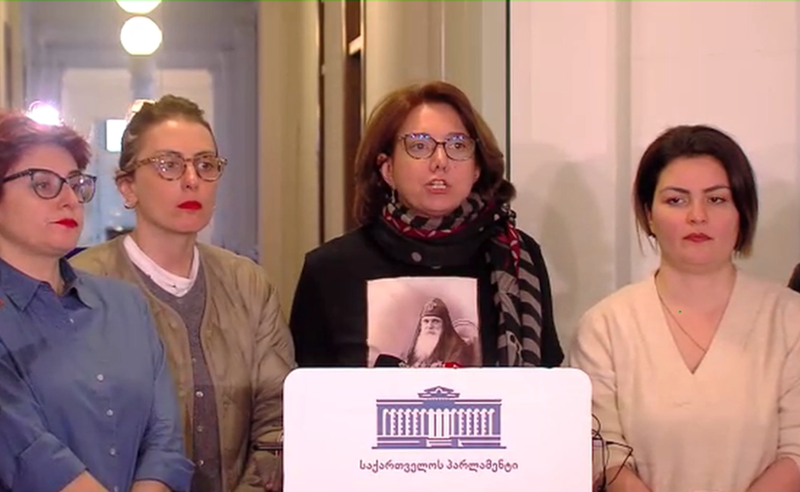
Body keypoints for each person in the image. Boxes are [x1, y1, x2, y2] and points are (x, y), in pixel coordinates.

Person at [70, 95, 295, 492]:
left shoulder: (247, 283)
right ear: (127, 187)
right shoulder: (83, 284)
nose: (192, 180)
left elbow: (278, 420)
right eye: (169, 165)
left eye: (205, 165)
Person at [569, 124, 800, 492]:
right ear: (648, 214)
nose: (697, 216)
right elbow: (601, 452)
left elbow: (796, 451)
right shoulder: (606, 326)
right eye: (676, 200)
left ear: (743, 212)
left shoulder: (789, 319)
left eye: (717, 199)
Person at [290, 80, 563, 368]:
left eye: (458, 145)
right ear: (387, 168)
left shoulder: (517, 258)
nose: (440, 161)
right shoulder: (330, 269)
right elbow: (306, 392)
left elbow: (547, 383)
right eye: (419, 145)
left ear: (477, 168)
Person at [0, 110, 193, 492]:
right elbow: (30, 456)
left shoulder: (125, 303)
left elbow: (165, 438)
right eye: (43, 185)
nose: (69, 200)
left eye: (75, 184)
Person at [406, 297, 475, 367]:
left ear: (444, 325)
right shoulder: (415, 350)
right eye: (426, 321)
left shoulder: (457, 349)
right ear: (421, 325)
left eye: (435, 321)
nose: (430, 326)